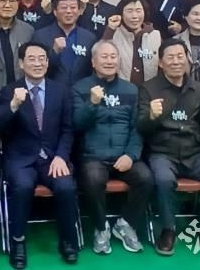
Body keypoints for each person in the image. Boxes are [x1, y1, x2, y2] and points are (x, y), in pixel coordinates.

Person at [137, 38, 200, 257]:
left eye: (180, 56)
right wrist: (151, 117)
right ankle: (168, 229)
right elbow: (141, 128)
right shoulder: (148, 89)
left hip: (194, 154)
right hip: (163, 154)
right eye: (170, 57)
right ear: (161, 63)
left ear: (187, 60)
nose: (176, 62)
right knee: (164, 179)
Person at [0, 42, 78, 268]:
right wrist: (13, 105)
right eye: (31, 59)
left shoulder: (61, 90)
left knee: (66, 186)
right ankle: (18, 241)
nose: (38, 63)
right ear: (21, 64)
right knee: (22, 187)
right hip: (20, 158)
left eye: (42, 58)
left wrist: (61, 156)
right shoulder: (10, 90)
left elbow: (68, 129)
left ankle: (68, 240)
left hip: (53, 157)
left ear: (48, 62)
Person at [72, 40, 153, 255]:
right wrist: (92, 103)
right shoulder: (80, 88)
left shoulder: (131, 89)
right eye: (104, 57)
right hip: (93, 156)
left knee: (146, 178)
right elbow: (77, 125)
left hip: (123, 155)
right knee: (92, 179)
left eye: (113, 56)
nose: (109, 61)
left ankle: (125, 224)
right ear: (93, 61)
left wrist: (130, 155)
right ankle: (101, 228)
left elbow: (137, 127)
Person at [32, 0, 97, 85]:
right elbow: (35, 68)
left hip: (80, 90)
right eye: (64, 7)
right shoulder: (40, 36)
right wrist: (54, 52)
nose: (68, 11)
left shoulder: (89, 38)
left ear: (79, 11)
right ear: (55, 11)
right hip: (50, 88)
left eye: (73, 7)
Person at [102, 0, 161, 85]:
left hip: (149, 90)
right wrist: (110, 29)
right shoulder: (114, 34)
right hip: (121, 89)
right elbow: (101, 56)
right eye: (129, 11)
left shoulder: (156, 36)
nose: (134, 16)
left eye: (138, 11)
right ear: (121, 13)